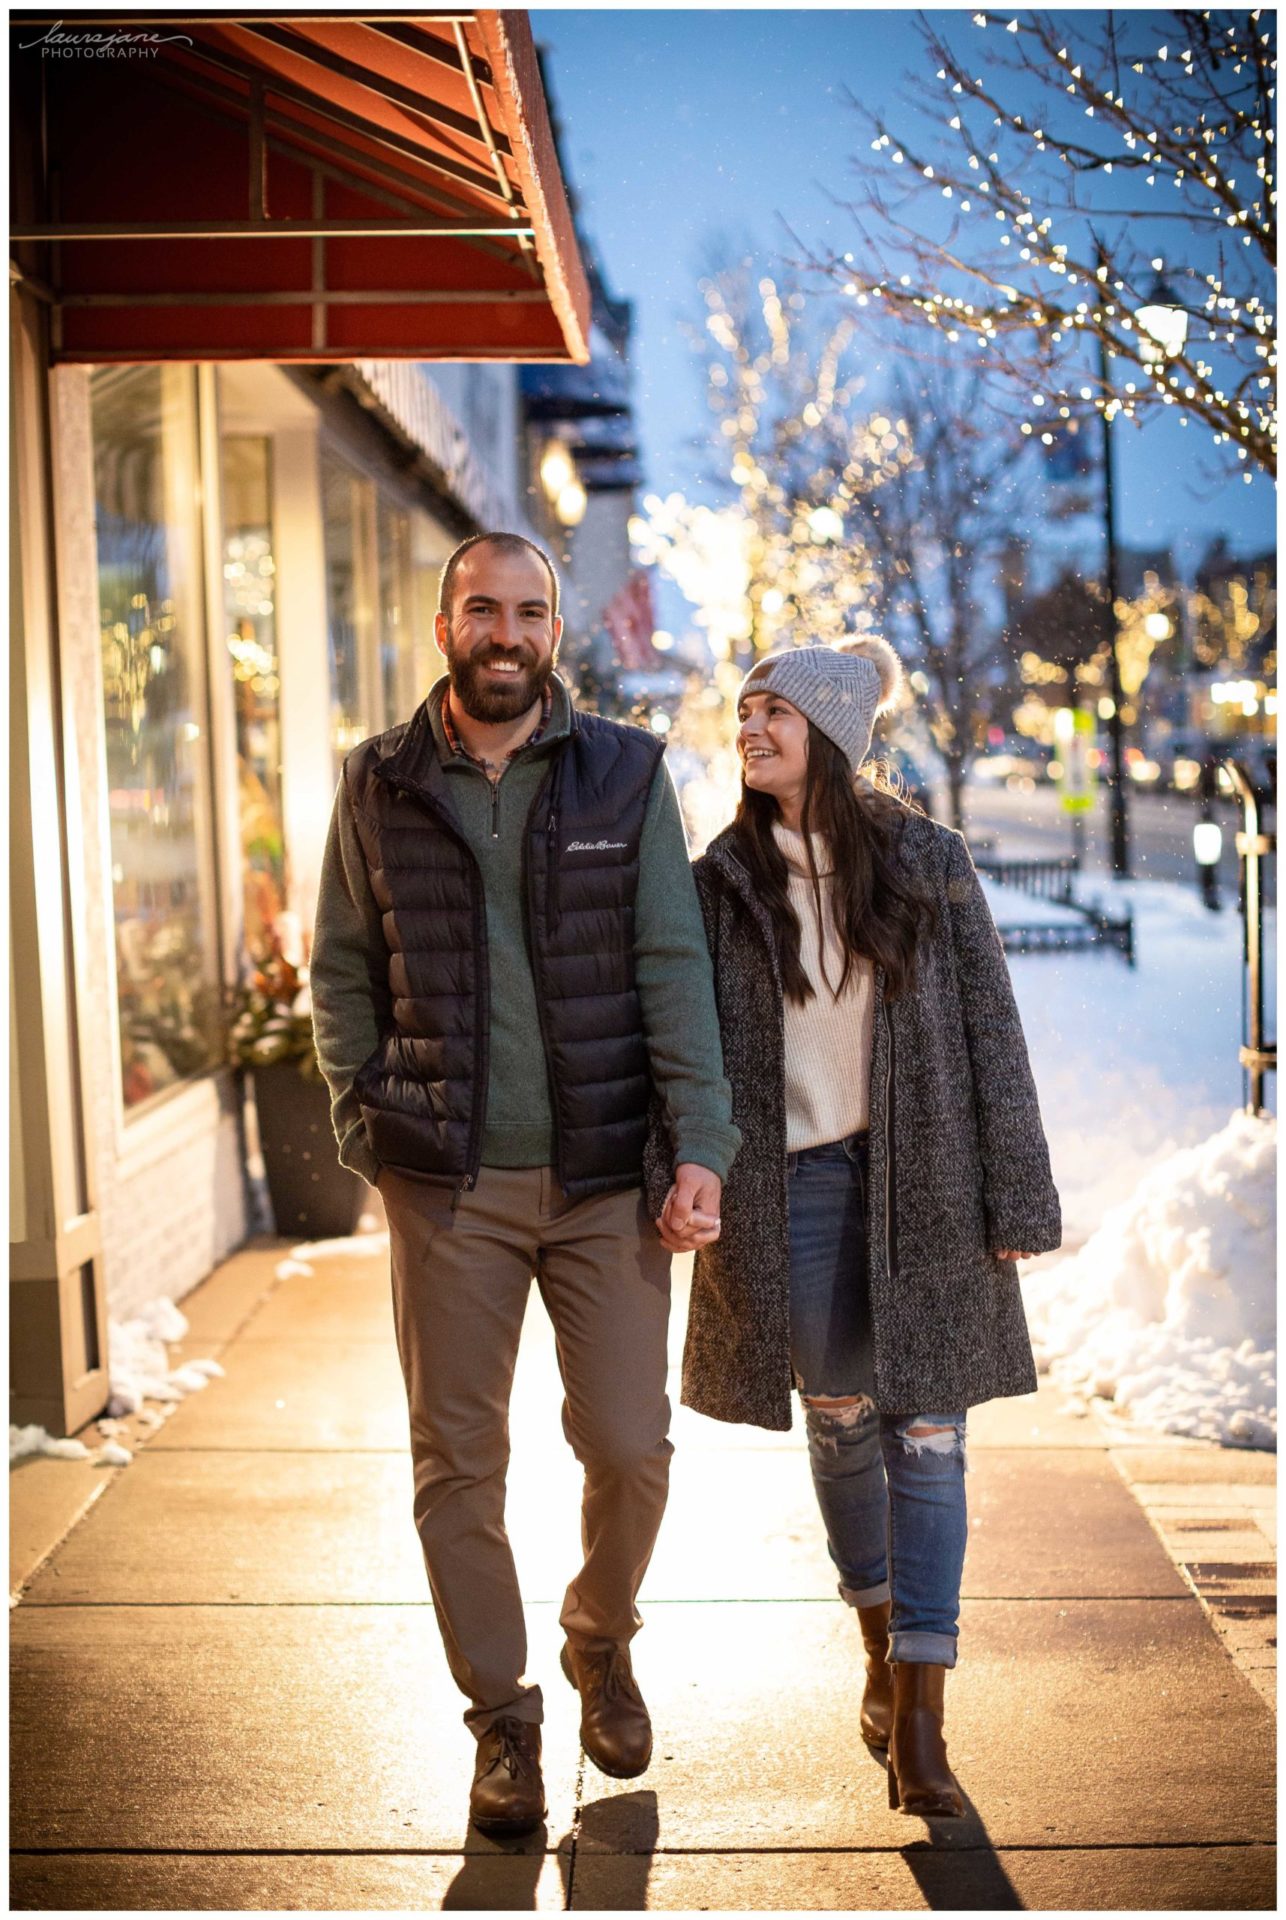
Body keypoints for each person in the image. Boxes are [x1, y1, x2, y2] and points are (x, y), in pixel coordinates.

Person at [310, 532, 738, 1837]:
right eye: (482, 609)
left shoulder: (623, 773)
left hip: (606, 1178)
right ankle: (502, 1722)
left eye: (529, 612)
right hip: (447, 1185)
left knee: (629, 1445)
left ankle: (598, 1637)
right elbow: (338, 970)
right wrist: (367, 1118)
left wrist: (701, 1147)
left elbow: (673, 967)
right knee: (457, 1466)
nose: (506, 632)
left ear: (556, 631)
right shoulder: (375, 782)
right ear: (445, 623)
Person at [648, 637, 1060, 1819]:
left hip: (924, 1176)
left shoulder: (923, 863)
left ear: (831, 731)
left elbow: (992, 1028)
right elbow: (685, 1043)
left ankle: (922, 1714)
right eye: (744, 712)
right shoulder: (720, 878)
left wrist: (1014, 1193)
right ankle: (876, 1639)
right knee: (837, 1419)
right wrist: (678, 1170)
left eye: (774, 712)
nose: (751, 730)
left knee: (927, 1432)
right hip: (796, 1185)